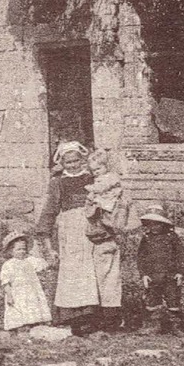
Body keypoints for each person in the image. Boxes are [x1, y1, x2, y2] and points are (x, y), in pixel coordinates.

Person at [36, 141, 130, 336]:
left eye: (76, 160)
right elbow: (49, 212)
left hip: (94, 227)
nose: (72, 165)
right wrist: (46, 241)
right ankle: (77, 319)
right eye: (68, 162)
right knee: (75, 273)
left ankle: (99, 317)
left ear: (82, 159)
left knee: (98, 272)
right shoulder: (57, 182)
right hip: (70, 231)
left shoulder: (92, 177)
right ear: (62, 162)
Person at [137, 205, 184, 334]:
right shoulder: (147, 238)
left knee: (173, 299)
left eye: (156, 224)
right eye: (150, 224)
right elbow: (141, 257)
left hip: (170, 276)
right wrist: (144, 274)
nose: (153, 227)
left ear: (163, 224)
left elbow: (181, 254)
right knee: (153, 300)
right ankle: (154, 326)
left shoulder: (171, 237)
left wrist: (180, 272)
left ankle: (176, 327)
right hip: (153, 276)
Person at [0, 231, 52, 333]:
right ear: (11, 251)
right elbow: (6, 282)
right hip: (17, 293)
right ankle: (15, 332)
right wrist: (9, 295)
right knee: (17, 311)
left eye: (24, 249)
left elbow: (44, 265)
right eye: (18, 249)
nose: (22, 251)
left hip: (31, 292)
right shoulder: (8, 264)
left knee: (31, 310)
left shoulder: (30, 261)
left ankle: (32, 330)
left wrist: (48, 258)